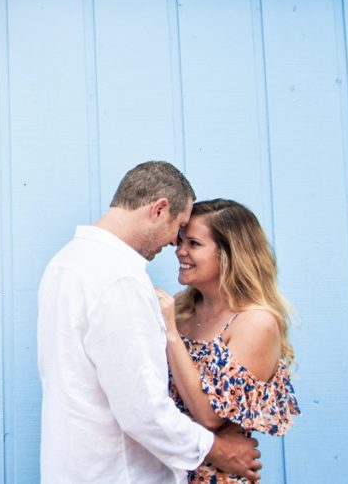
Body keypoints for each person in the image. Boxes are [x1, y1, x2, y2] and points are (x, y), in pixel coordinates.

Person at [37, 161, 261, 483]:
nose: (174, 243)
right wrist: (220, 450)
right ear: (159, 209)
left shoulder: (64, 264)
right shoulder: (119, 279)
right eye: (178, 227)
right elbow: (143, 411)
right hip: (118, 473)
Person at [156, 199, 300, 483]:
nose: (180, 251)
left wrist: (170, 332)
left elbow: (210, 416)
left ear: (229, 254)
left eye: (194, 244)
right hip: (164, 472)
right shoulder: (181, 309)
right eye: (181, 241)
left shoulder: (255, 322)